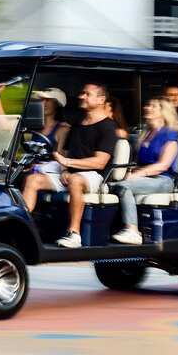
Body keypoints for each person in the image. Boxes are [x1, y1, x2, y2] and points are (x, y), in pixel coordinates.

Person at [22, 83, 119, 248]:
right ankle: (24, 228)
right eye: (82, 93)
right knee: (33, 179)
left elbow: (100, 162)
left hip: (94, 176)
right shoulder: (78, 125)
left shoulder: (108, 127)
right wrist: (65, 169)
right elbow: (66, 154)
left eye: (87, 94)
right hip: (71, 173)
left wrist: (67, 164)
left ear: (101, 99)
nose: (82, 97)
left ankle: (74, 233)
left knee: (75, 179)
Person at [111, 96, 178, 245]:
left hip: (163, 180)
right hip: (145, 178)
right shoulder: (144, 135)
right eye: (147, 105)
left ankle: (133, 231)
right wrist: (129, 173)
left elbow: (163, 165)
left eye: (153, 106)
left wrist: (137, 175)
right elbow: (136, 163)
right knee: (113, 185)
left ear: (163, 112)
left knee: (123, 188)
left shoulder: (169, 134)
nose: (147, 108)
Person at [0, 84, 71, 154]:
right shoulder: (32, 121)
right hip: (30, 168)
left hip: (49, 169)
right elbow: (4, 125)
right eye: (41, 99)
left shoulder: (63, 129)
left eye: (47, 100)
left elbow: (61, 160)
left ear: (57, 104)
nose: (43, 103)